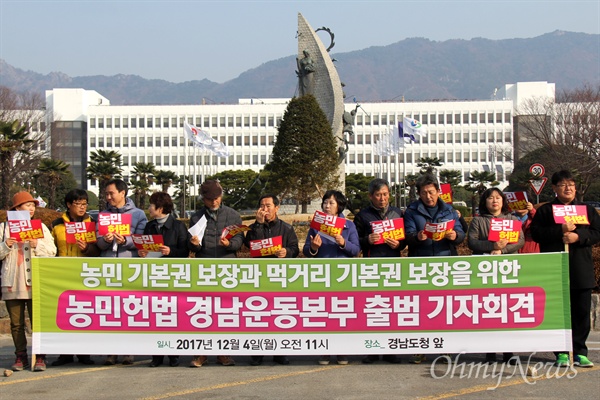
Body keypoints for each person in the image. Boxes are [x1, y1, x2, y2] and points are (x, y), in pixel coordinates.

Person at [530, 170, 600, 368]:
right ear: (554, 188)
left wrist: (578, 237)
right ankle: (561, 352)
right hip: (555, 268)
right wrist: (559, 231)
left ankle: (579, 351)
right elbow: (536, 234)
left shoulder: (586, 210)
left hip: (581, 267)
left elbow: (597, 232)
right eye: (562, 185)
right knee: (559, 312)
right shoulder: (545, 211)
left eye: (571, 184)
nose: (568, 188)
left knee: (581, 311)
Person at [404, 174, 465, 364]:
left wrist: (454, 235)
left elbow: (462, 235)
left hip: (445, 261)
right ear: (419, 195)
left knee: (444, 308)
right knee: (421, 308)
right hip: (420, 263)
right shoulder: (411, 211)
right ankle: (419, 348)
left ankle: (444, 348)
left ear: (438, 191)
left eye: (431, 192)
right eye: (424, 193)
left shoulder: (449, 211)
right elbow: (407, 235)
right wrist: (418, 236)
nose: (428, 196)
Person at [187, 180, 244, 368]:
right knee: (203, 311)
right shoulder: (196, 217)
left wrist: (230, 245)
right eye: (210, 199)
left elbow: (240, 239)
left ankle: (223, 353)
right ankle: (201, 353)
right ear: (203, 199)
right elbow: (191, 243)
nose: (214, 202)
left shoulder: (233, 215)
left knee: (225, 312)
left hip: (227, 266)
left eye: (217, 198)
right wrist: (194, 245)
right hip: (204, 268)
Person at [1, 191, 57, 372]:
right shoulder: (3, 228)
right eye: (27, 205)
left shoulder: (39, 227)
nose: (32, 209)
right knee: (16, 323)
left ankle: (40, 356)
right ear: (17, 208)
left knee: (37, 321)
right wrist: (6, 245)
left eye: (33, 205)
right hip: (13, 280)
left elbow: (52, 251)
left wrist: (37, 244)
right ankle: (20, 356)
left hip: (36, 280)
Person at [467, 187, 524, 364]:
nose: (494, 201)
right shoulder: (478, 221)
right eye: (490, 198)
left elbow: (520, 240)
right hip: (485, 271)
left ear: (503, 201)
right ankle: (489, 352)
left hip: (508, 270)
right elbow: (472, 242)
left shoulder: (512, 219)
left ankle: (509, 352)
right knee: (488, 310)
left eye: (498, 197)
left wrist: (503, 250)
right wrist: (492, 246)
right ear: (485, 202)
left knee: (508, 310)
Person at [303, 190, 360, 366]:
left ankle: (342, 351)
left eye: (331, 203)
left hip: (343, 276)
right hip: (322, 275)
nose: (327, 206)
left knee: (341, 314)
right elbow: (306, 251)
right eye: (325, 203)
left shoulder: (348, 226)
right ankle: (325, 351)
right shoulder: (316, 225)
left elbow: (356, 250)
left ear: (339, 206)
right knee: (324, 314)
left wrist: (343, 243)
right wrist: (313, 247)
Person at [96, 178, 148, 366]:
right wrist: (107, 240)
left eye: (111, 193)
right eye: (106, 194)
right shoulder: (103, 215)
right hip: (108, 265)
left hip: (130, 265)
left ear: (123, 193)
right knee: (109, 310)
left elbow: (142, 239)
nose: (108, 197)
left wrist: (126, 240)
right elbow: (98, 242)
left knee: (129, 308)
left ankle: (129, 350)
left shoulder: (138, 214)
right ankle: (110, 351)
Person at [353, 178, 405, 364]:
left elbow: (405, 239)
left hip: (392, 264)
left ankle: (391, 350)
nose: (382, 198)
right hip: (371, 265)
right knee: (373, 309)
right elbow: (355, 240)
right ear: (370, 196)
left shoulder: (397, 213)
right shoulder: (363, 216)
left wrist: (399, 244)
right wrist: (368, 240)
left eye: (385, 194)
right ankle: (372, 350)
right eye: (378, 195)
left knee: (391, 308)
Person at [245, 194, 299, 366]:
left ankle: (280, 352)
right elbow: (251, 245)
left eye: (268, 206)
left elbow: (294, 248)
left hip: (279, 277)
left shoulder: (286, 228)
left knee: (279, 314)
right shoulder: (254, 227)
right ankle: (258, 352)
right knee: (259, 315)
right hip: (259, 276)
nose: (265, 209)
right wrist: (259, 225)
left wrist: (286, 252)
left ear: (277, 208)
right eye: (262, 206)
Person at [139, 192, 190, 367]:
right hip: (154, 277)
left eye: (151, 205)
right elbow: (145, 247)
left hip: (172, 276)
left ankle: (174, 354)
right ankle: (157, 356)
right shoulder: (149, 226)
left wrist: (171, 252)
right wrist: (143, 253)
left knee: (172, 316)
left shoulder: (178, 227)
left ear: (160, 208)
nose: (149, 208)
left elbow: (185, 252)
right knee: (155, 316)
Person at [50, 189, 98, 367]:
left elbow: (97, 250)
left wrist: (86, 248)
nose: (82, 207)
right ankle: (65, 353)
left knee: (84, 313)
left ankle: (84, 353)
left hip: (85, 273)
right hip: (62, 273)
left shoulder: (91, 223)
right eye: (78, 204)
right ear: (69, 205)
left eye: (84, 204)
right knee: (64, 313)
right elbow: (50, 249)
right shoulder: (56, 224)